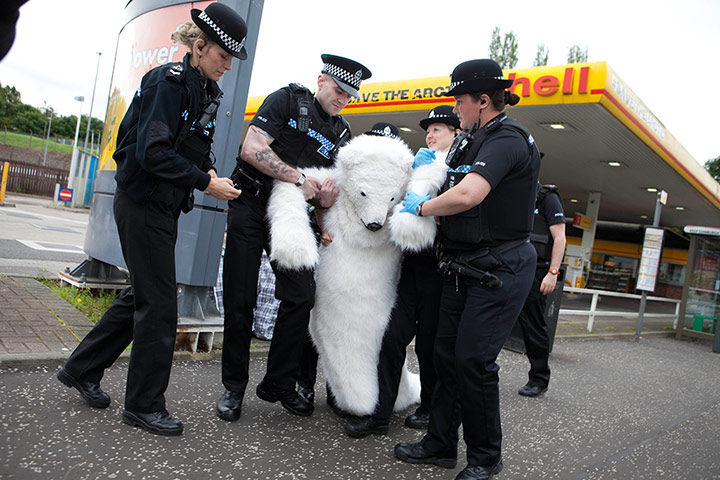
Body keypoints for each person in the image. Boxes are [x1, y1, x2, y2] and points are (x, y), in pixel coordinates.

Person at [55, 3, 247, 436]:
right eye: (222, 56)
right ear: (199, 47)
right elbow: (153, 152)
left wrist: (210, 172)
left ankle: (81, 368)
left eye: (233, 59)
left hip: (160, 206)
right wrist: (205, 182)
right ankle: (143, 405)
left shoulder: (202, 89)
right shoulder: (169, 82)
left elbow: (188, 146)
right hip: (142, 202)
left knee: (140, 295)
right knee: (159, 305)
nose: (228, 66)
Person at [395, 59, 541, 479]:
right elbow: (448, 187)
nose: (454, 108)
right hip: (461, 265)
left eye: (459, 100)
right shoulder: (469, 141)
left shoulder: (507, 138)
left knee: (474, 362)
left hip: (501, 266)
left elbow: (469, 195)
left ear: (483, 100)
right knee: (445, 358)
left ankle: (485, 457)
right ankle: (440, 444)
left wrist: (421, 208)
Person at [216, 54, 371, 422]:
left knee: (301, 295)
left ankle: (279, 383)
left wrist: (325, 201)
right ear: (321, 80)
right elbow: (251, 150)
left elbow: (323, 191)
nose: (343, 100)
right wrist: (299, 180)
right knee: (241, 299)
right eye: (338, 90)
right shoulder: (286, 100)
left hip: (292, 217)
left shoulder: (342, 132)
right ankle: (233, 388)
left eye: (350, 95)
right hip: (252, 204)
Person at [344, 106, 460, 438]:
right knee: (392, 339)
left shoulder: (460, 169)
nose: (431, 134)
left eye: (438, 129)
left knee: (429, 347)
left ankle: (428, 408)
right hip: (413, 269)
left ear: (455, 133)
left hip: (442, 270)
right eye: (428, 130)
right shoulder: (415, 168)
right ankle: (379, 415)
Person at [516, 183, 566, 397]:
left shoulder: (546, 197)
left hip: (537, 270)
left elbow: (560, 237)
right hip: (511, 266)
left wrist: (553, 272)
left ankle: (539, 378)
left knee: (533, 325)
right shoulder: (513, 192)